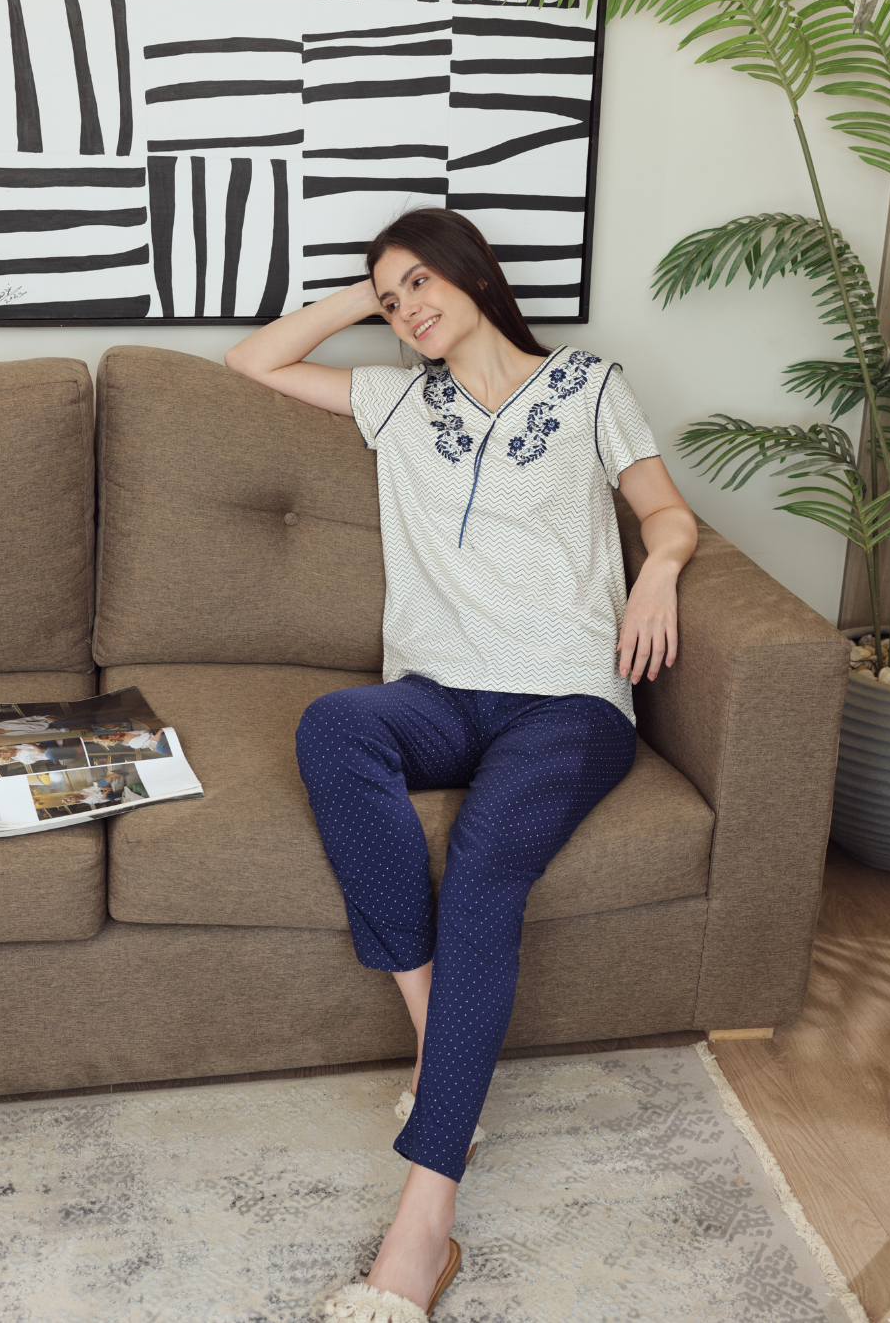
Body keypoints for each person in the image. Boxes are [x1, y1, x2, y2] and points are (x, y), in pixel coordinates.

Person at [224, 207, 698, 1319]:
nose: (408, 309)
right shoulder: (396, 401)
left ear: (474, 273)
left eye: (423, 283)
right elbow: (254, 361)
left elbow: (666, 512)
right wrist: (370, 296)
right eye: (392, 300)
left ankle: (424, 1224)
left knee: (485, 868)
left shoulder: (588, 386)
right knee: (333, 727)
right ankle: (444, 1039)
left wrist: (659, 570)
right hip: (439, 695)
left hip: (568, 702)